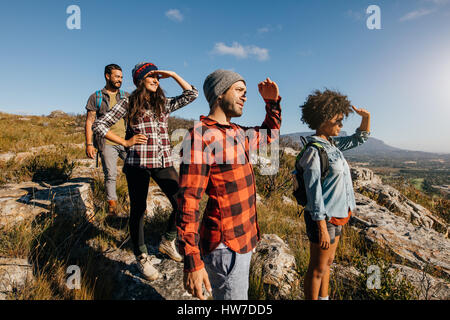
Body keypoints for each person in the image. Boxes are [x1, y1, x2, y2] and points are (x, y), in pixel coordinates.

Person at [177, 69, 282, 300]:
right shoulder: (200, 136)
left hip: (244, 238)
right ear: (219, 94)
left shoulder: (237, 132)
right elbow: (188, 201)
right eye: (239, 90)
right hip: (226, 247)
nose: (245, 96)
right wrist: (192, 260)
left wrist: (272, 102)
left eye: (246, 92)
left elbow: (270, 134)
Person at [92, 62, 198, 281]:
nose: (156, 80)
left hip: (163, 162)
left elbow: (192, 94)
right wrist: (124, 141)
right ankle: (141, 257)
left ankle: (168, 241)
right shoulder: (128, 102)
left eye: (157, 77)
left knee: (184, 201)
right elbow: (99, 125)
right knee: (138, 210)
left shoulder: (163, 104)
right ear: (140, 80)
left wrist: (172, 73)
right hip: (138, 163)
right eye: (151, 76)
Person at [298, 89, 371, 300]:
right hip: (324, 218)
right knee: (317, 269)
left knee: (328, 264)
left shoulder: (333, 144)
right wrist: (321, 226)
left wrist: (366, 118)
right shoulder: (314, 150)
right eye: (337, 120)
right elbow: (314, 193)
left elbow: (360, 138)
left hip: (338, 215)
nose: (341, 124)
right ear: (323, 119)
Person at [85, 64, 130, 216]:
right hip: (107, 143)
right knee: (110, 175)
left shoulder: (126, 96)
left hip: (126, 142)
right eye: (117, 76)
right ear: (107, 76)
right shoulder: (96, 97)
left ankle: (132, 201)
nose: (120, 80)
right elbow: (90, 121)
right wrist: (89, 144)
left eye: (121, 77)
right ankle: (112, 207)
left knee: (135, 171)